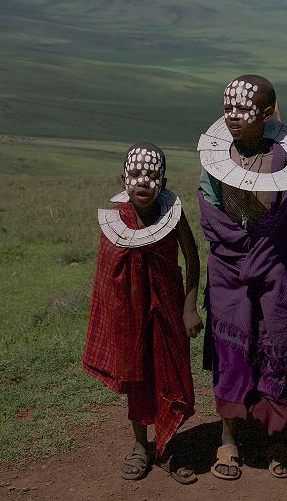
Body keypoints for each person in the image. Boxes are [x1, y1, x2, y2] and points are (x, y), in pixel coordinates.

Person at [198, 75, 287, 480]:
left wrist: (265, 243)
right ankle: (228, 438)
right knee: (231, 353)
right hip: (227, 269)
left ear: (266, 115)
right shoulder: (215, 157)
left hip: (274, 268)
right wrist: (242, 242)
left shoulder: (284, 160)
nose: (232, 116)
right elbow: (210, 214)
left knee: (276, 347)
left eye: (242, 109)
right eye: (227, 107)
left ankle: (275, 437)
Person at [82, 142, 203, 484]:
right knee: (137, 375)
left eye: (151, 176)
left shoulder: (172, 214)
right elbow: (108, 275)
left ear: (163, 181)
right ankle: (140, 445)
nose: (143, 183)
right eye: (135, 175)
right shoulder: (116, 220)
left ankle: (169, 447)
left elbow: (192, 258)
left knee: (171, 374)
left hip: (168, 307)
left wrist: (190, 307)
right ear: (123, 178)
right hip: (130, 312)